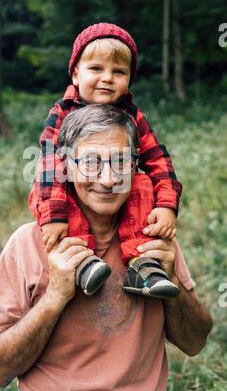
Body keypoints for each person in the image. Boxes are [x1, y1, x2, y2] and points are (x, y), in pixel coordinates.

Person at [0, 105, 212, 391]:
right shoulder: (27, 244)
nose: (108, 179)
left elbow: (194, 343)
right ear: (65, 166)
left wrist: (172, 280)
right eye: (90, 162)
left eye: (121, 162)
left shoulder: (152, 235)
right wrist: (54, 297)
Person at [29, 22, 182, 298]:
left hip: (125, 207)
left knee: (142, 181)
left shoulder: (133, 117)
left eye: (119, 72)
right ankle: (83, 262)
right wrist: (53, 215)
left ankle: (141, 263)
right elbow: (49, 165)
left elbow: (159, 159)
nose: (107, 78)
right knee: (62, 184)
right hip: (67, 190)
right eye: (97, 69)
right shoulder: (62, 113)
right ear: (76, 74)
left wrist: (167, 204)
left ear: (128, 81)